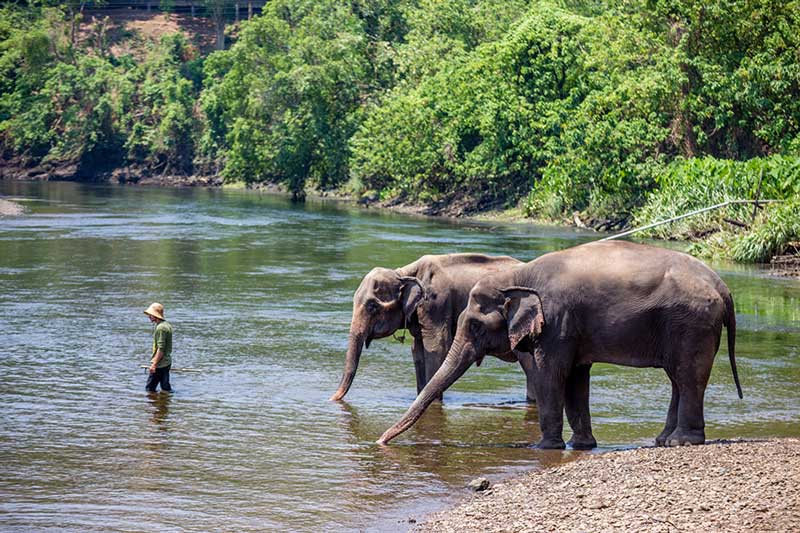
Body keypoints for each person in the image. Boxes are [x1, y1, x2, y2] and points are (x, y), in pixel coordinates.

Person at [144, 302, 173, 393]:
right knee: (165, 388)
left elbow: (161, 348)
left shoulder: (161, 328)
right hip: (166, 362)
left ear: (155, 315)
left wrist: (154, 364)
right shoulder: (167, 325)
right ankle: (165, 404)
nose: (149, 316)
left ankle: (154, 406)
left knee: (150, 389)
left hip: (160, 363)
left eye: (151, 314)